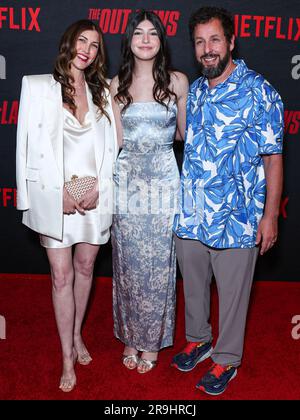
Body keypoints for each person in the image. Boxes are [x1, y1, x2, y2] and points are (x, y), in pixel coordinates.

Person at [172, 6, 284, 395]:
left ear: (231, 41)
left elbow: (273, 158)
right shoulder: (198, 90)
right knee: (194, 283)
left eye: (215, 39)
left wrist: (270, 217)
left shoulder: (260, 91)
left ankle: (226, 360)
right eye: (200, 42)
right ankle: (199, 338)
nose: (207, 49)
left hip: (237, 217)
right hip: (193, 213)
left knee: (234, 294)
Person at [16, 20, 118, 392]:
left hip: (93, 197)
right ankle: (65, 356)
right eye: (81, 40)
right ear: (68, 42)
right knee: (61, 277)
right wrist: (42, 197)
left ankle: (76, 336)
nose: (87, 49)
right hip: (55, 198)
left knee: (86, 267)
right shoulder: (37, 85)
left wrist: (100, 190)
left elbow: (111, 151)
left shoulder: (103, 93)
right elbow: (24, 149)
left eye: (94, 45)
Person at [110, 10, 188, 373]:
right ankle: (129, 336)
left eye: (152, 33)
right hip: (126, 183)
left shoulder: (177, 82)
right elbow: (115, 143)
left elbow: (184, 136)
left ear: (161, 41)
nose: (145, 39)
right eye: (138, 33)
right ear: (129, 40)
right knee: (127, 263)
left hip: (162, 182)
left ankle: (152, 342)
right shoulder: (115, 85)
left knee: (158, 265)